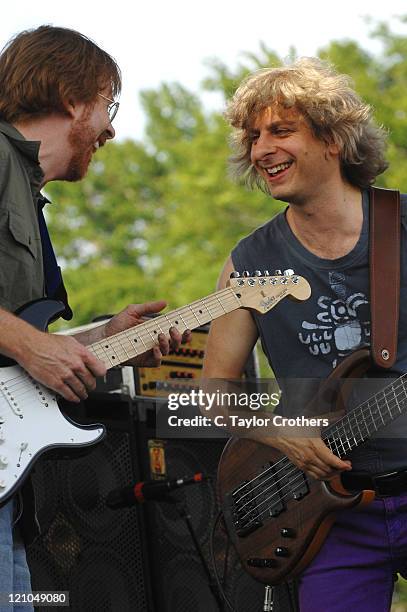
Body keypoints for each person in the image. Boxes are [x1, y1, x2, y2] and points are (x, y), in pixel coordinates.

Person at [202, 57, 407, 611]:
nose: (260, 148)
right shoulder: (249, 262)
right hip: (325, 517)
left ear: (333, 139)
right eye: (253, 136)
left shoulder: (405, 226)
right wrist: (280, 434)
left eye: (280, 130)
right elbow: (211, 396)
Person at [0, 25, 189, 608]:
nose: (110, 126)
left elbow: (20, 342)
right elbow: (24, 345)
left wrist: (105, 339)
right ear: (72, 99)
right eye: (108, 104)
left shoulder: (26, 189)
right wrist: (32, 347)